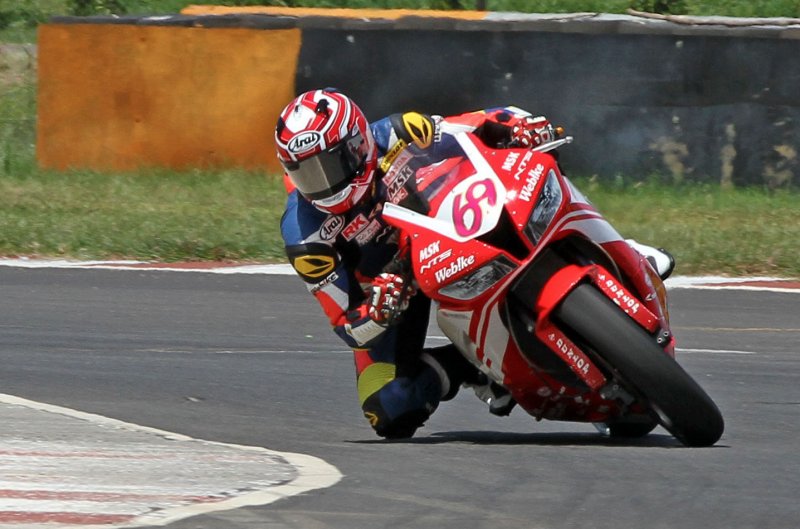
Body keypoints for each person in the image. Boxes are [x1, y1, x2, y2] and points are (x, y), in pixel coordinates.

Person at [276, 88, 674, 439]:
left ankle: (617, 247)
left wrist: (515, 125)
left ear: (357, 144)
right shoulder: (306, 237)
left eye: (326, 166)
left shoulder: (398, 133)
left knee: (537, 164)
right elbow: (346, 325)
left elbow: (470, 126)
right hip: (394, 288)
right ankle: (473, 368)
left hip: (449, 230)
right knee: (388, 408)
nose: (321, 184)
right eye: (305, 172)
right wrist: (378, 311)